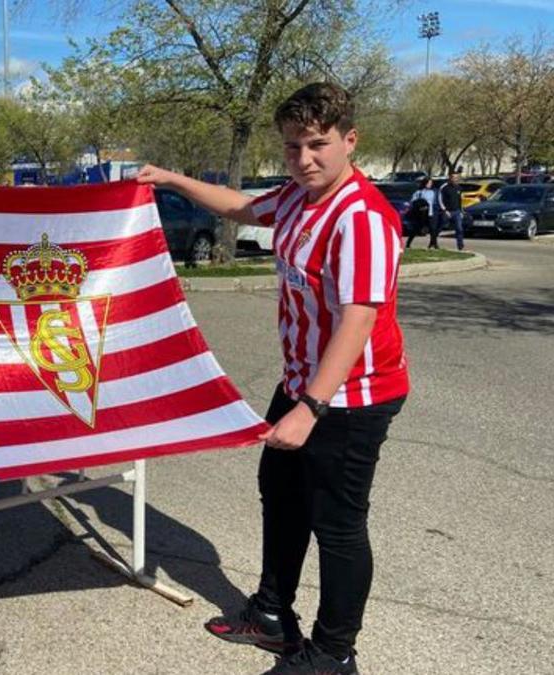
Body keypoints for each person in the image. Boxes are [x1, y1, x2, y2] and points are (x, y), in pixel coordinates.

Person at [136, 82, 409, 675]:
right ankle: (271, 615)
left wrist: (310, 407)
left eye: (318, 144)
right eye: (292, 146)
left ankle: (334, 653)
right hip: (302, 382)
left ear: (349, 141)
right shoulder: (294, 196)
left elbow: (358, 319)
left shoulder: (360, 218)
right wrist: (173, 180)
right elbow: (237, 207)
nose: (304, 158)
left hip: (351, 396)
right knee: (281, 499)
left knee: (336, 523)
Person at [440, 168, 466, 251]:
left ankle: (460, 245)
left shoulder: (459, 188)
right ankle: (433, 241)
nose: (455, 179)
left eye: (457, 178)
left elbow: (460, 200)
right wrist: (445, 210)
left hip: (457, 211)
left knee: (459, 228)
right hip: (447, 211)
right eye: (454, 178)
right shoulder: (445, 188)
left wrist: (462, 211)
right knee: (440, 227)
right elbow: (440, 199)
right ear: (450, 178)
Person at [411, 177, 440, 249]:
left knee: (433, 229)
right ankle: (408, 243)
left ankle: (434, 244)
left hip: (430, 212)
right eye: (428, 183)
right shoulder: (419, 192)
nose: (430, 184)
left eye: (431, 183)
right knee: (417, 229)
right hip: (422, 213)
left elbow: (435, 202)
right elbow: (413, 201)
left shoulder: (433, 192)